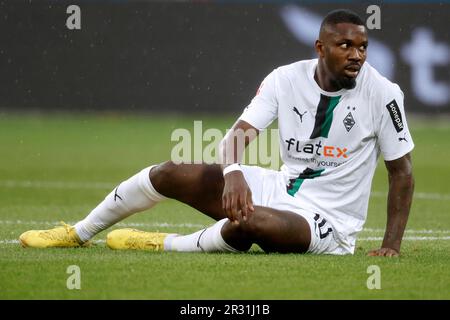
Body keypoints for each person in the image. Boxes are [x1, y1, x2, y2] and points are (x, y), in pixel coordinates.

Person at [19, 9, 414, 256]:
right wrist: (234, 173)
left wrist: (390, 246)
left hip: (329, 222)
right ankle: (78, 233)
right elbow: (239, 134)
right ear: (320, 47)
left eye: (363, 46)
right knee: (171, 172)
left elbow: (402, 172)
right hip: (282, 188)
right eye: (346, 45)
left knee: (249, 222)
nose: (357, 55)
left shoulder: (382, 94)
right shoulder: (284, 79)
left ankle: (164, 244)